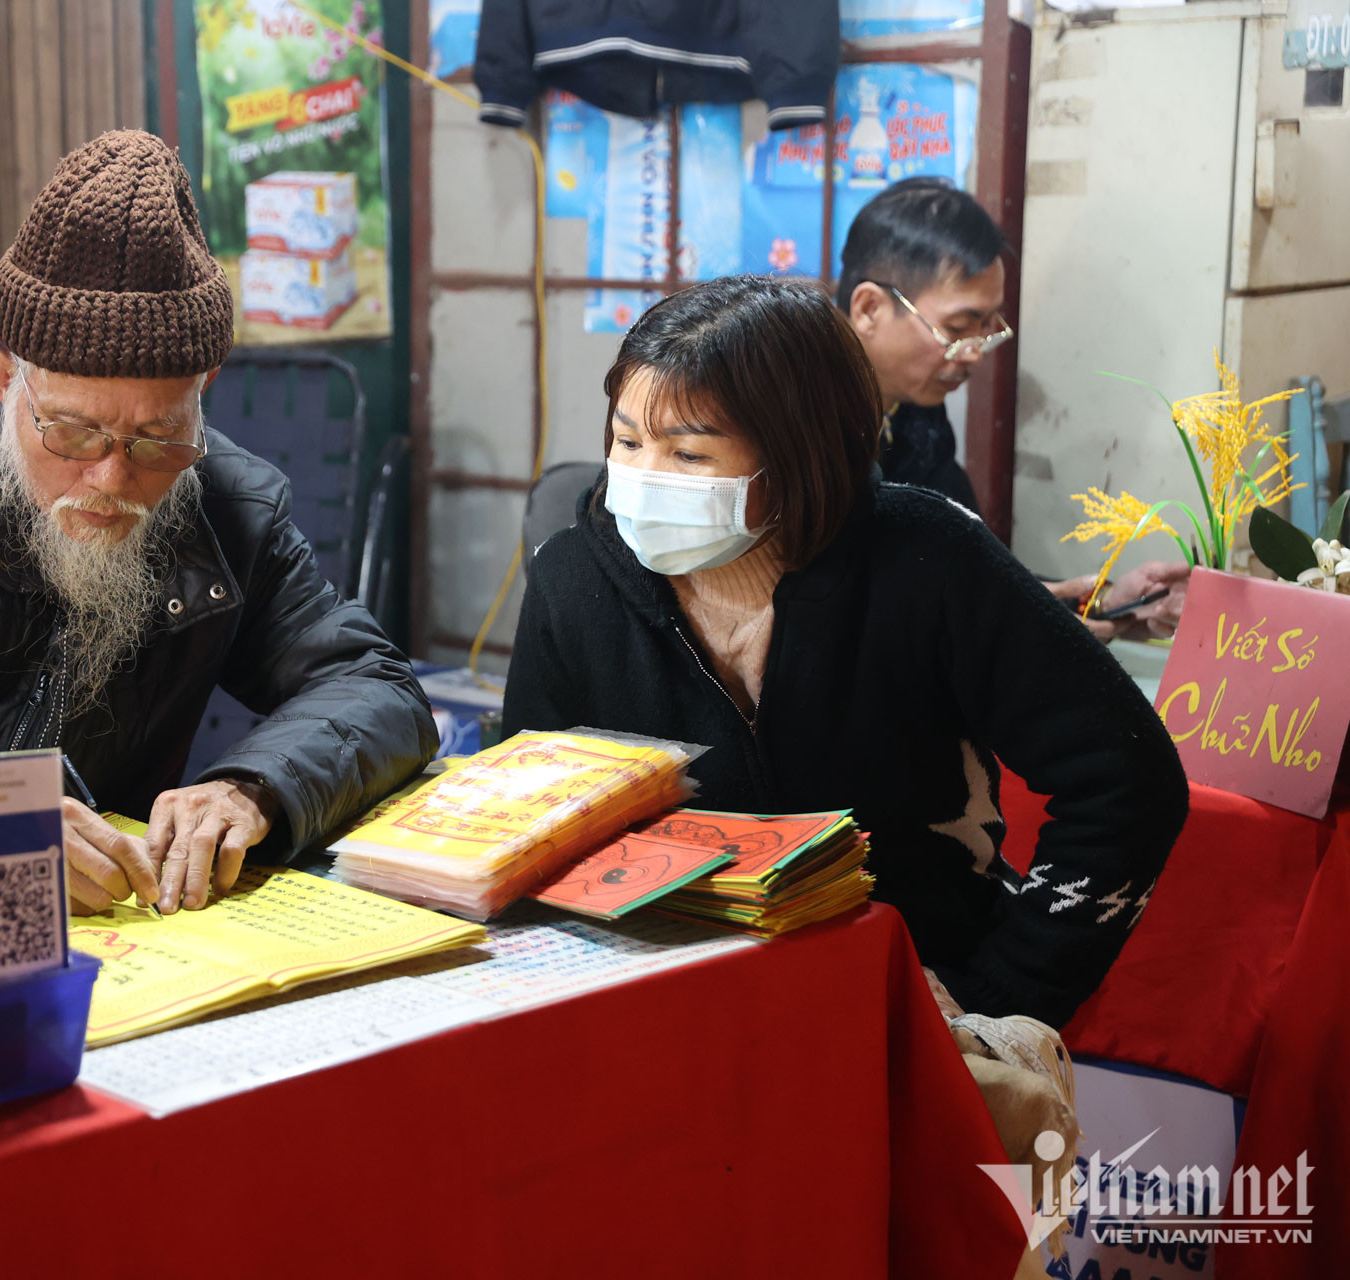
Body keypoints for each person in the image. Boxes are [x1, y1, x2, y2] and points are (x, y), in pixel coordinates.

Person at [502, 276, 1189, 1217]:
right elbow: (534, 821)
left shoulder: (926, 558)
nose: (643, 476)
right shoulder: (575, 580)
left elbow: (1127, 781)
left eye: (688, 452)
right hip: (670, 1042)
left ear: (797, 452)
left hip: (915, 1035)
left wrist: (1001, 995)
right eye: (626, 441)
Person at [0, 131, 436, 917]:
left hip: (116, 929)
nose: (113, 479)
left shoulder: (229, 506)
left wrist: (253, 787)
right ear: (3, 380)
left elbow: (377, 686)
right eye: (72, 433)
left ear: (202, 392)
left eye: (157, 439)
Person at [837, 177, 1188, 641]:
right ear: (868, 309)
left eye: (987, 326)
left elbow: (969, 570)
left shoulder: (918, 418)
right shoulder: (797, 426)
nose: (973, 353)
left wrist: (1102, 602)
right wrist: (1016, 626)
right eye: (957, 328)